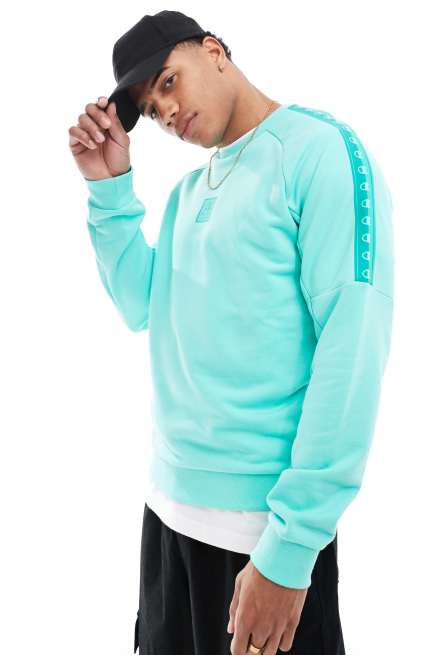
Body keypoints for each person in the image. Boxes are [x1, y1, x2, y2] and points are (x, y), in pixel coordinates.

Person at [68, 10, 395, 655]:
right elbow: (142, 306)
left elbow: (351, 349)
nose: (166, 112)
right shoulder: (190, 192)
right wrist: (108, 190)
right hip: (168, 515)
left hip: (260, 535)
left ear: (214, 50)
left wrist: (292, 546)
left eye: (168, 82)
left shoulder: (319, 152)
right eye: (151, 109)